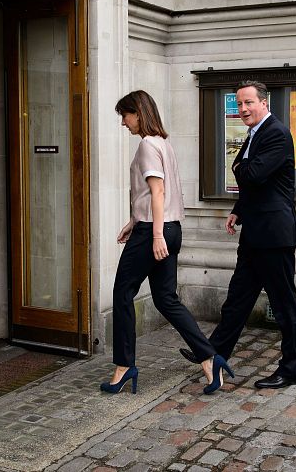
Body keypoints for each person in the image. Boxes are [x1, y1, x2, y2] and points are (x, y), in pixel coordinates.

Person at [102, 90, 234, 396]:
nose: (124, 123)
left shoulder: (148, 144)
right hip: (170, 227)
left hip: (155, 232)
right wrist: (134, 221)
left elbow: (158, 192)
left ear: (138, 112)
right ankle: (208, 358)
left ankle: (124, 366)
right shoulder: (165, 144)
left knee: (122, 293)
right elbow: (155, 196)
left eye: (126, 115)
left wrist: (153, 233)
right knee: (165, 298)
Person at [179, 80, 296, 389]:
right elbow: (255, 184)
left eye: (249, 102)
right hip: (255, 234)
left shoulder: (276, 133)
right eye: (239, 104)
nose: (243, 109)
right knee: (237, 300)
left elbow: (252, 174)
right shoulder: (254, 134)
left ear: (264, 103)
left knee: (284, 305)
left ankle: (290, 369)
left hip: (274, 236)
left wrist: (237, 162)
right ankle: (214, 352)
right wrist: (239, 209)